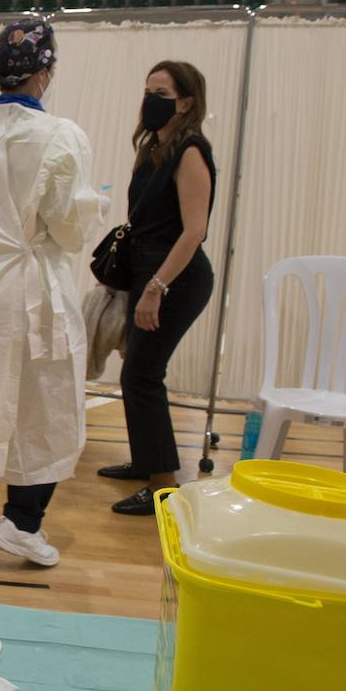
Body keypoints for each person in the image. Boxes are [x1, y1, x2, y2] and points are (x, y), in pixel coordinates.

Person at [0, 19, 105, 566]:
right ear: (44, 72)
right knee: (44, 403)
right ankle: (23, 522)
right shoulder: (61, 137)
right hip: (33, 285)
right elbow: (70, 229)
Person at [99, 62, 216, 515]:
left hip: (176, 279)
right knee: (137, 371)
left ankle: (163, 487)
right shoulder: (154, 148)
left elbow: (194, 232)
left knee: (142, 375)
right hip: (150, 273)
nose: (150, 99)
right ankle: (147, 463)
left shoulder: (190, 151)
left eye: (161, 93)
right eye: (147, 90)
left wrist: (155, 288)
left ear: (186, 102)